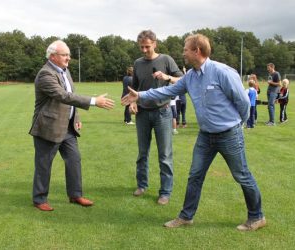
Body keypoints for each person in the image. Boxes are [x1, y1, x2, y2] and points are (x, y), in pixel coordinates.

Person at [122, 34, 266, 231]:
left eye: (186, 49)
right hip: (205, 136)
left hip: (229, 135)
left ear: (197, 51)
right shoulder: (190, 76)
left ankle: (257, 217)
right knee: (195, 176)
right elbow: (166, 92)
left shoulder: (222, 72)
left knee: (242, 175)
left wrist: (236, 125)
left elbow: (243, 103)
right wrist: (140, 95)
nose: (183, 53)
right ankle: (186, 216)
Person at [29, 40, 114, 211]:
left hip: (68, 127)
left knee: (74, 160)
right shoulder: (46, 74)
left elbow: (71, 96)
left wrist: (76, 117)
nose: (69, 58)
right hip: (48, 127)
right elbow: (63, 96)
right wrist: (94, 101)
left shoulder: (65, 71)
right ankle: (39, 199)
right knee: (44, 164)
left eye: (68, 54)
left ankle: (75, 195)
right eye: (65, 54)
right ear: (53, 56)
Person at [130, 30, 183, 205]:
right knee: (142, 153)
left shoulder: (166, 60)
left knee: (165, 155)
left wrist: (167, 76)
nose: (144, 50)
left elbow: (182, 81)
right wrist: (133, 102)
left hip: (163, 112)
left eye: (147, 46)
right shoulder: (138, 63)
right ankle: (141, 184)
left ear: (155, 44)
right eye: (141, 47)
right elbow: (135, 88)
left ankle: (165, 192)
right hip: (143, 114)